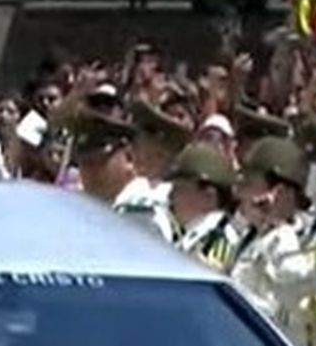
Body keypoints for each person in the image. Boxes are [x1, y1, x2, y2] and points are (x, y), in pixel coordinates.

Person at [228, 136, 316, 346]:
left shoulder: (296, 241)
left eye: (249, 184)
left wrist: (280, 230)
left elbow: (296, 286)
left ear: (280, 193)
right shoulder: (249, 237)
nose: (239, 193)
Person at [69, 110, 174, 241]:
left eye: (99, 162)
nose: (91, 171)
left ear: (129, 158)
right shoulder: (79, 206)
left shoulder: (143, 215)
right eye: (85, 163)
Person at [167, 143, 240, 269]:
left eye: (180, 189)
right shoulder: (193, 236)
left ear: (209, 195)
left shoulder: (218, 240)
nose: (170, 196)